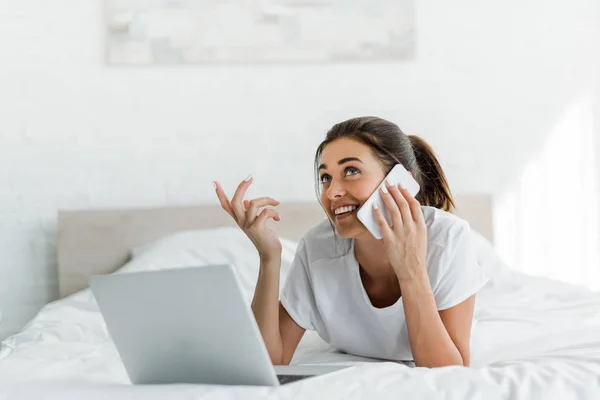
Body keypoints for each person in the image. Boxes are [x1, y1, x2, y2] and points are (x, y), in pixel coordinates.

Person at [214, 116, 489, 368]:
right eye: (325, 177)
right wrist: (268, 257)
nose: (332, 192)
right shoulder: (317, 248)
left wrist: (410, 269)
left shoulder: (447, 239)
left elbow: (448, 372)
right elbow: (269, 361)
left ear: (400, 181)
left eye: (351, 171)